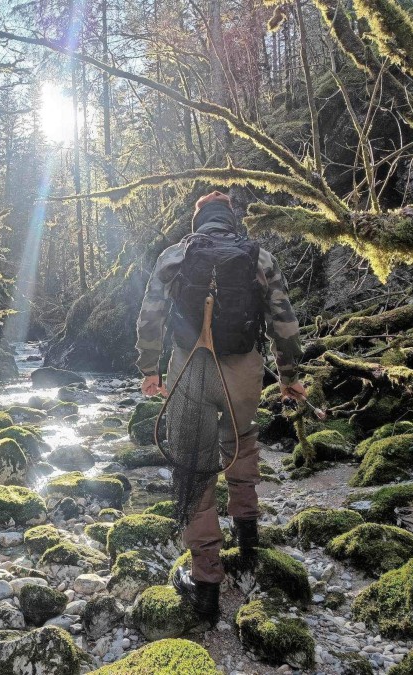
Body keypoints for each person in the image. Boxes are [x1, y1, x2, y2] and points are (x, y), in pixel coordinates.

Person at [134, 190, 305, 623]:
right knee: (242, 444)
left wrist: (149, 368)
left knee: (193, 467)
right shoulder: (259, 257)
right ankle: (247, 536)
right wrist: (288, 376)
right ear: (231, 220)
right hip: (243, 369)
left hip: (189, 367)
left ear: (198, 221)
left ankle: (206, 580)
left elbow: (150, 313)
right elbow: (284, 321)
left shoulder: (176, 254)